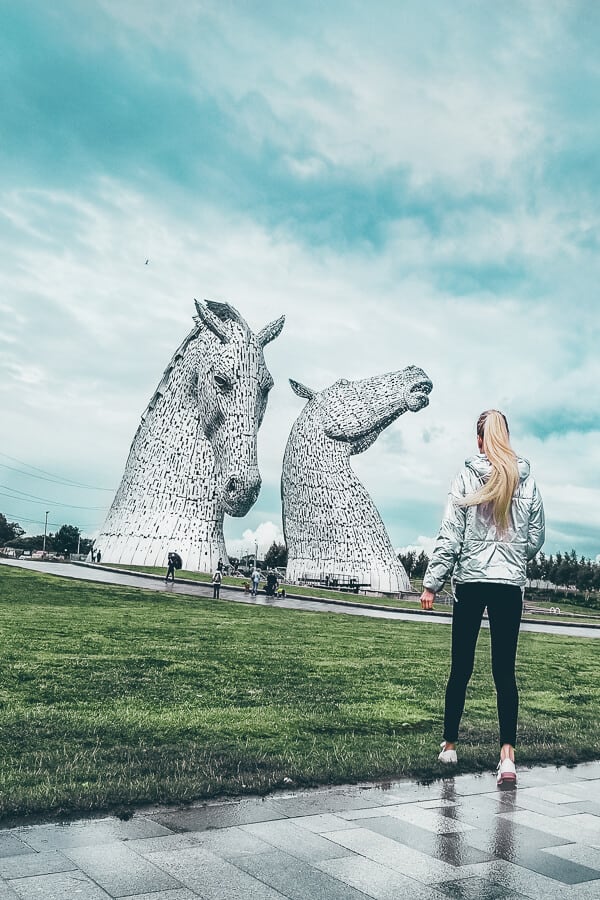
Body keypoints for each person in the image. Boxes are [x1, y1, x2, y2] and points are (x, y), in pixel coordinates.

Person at [420, 410, 545, 788]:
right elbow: (535, 538)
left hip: (472, 582)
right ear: (505, 437)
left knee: (461, 667)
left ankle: (450, 745)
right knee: (504, 672)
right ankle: (507, 757)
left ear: (479, 440)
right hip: (508, 586)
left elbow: (450, 535)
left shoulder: (465, 477)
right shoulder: (527, 481)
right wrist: (511, 560)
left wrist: (432, 583)